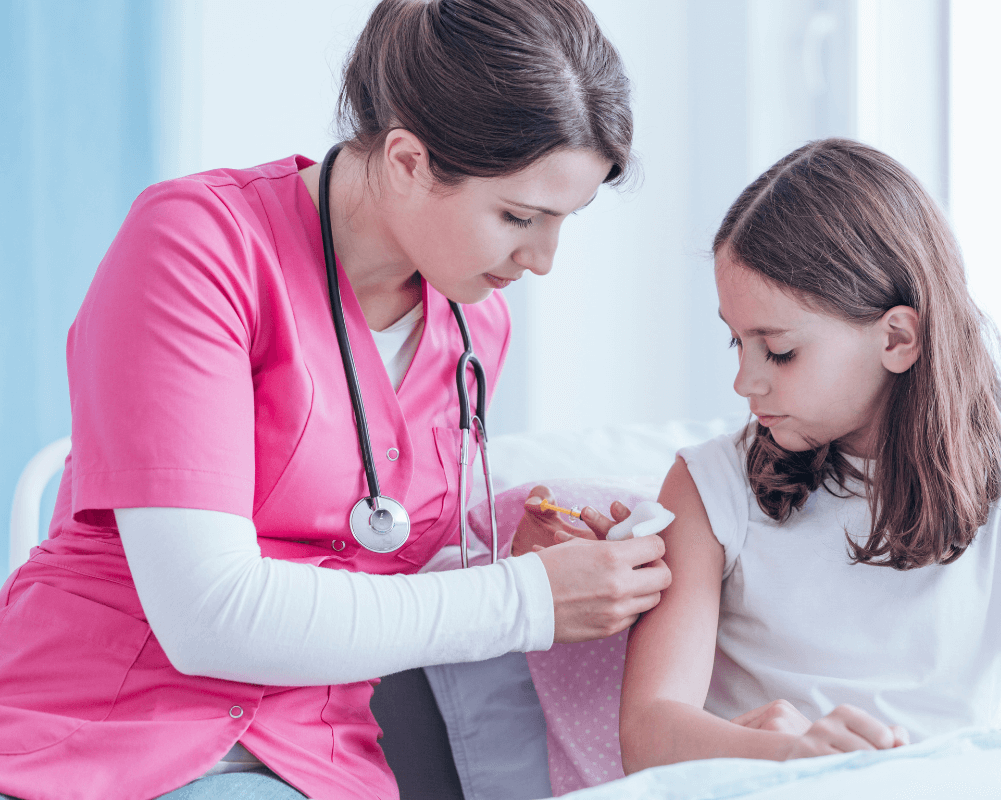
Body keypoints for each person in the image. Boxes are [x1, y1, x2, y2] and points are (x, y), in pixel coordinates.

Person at [0, 2, 671, 799]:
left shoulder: (474, 325)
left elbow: (362, 554)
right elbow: (209, 612)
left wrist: (513, 560)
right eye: (519, 217)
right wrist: (523, 600)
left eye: (565, 221)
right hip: (100, 742)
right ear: (408, 160)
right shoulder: (196, 247)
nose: (544, 260)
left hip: (319, 765)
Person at [618, 138, 1001, 772]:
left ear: (897, 338)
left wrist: (898, 772)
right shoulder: (708, 486)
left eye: (778, 350)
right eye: (737, 343)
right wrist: (791, 754)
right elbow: (647, 735)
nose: (745, 383)